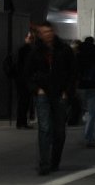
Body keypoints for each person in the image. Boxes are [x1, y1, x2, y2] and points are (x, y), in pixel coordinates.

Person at [23, 22, 76, 174]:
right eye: (43, 32)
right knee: (45, 128)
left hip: (60, 94)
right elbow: (27, 74)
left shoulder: (64, 50)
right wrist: (36, 89)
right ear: (39, 34)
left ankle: (55, 161)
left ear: (53, 32)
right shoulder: (35, 52)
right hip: (42, 95)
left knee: (59, 131)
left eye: (48, 31)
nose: (46, 34)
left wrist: (67, 91)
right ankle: (44, 163)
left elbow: (73, 72)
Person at [75, 36, 95, 147]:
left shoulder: (78, 55)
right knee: (92, 114)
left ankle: (90, 135)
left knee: (86, 112)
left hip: (81, 87)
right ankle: (89, 137)